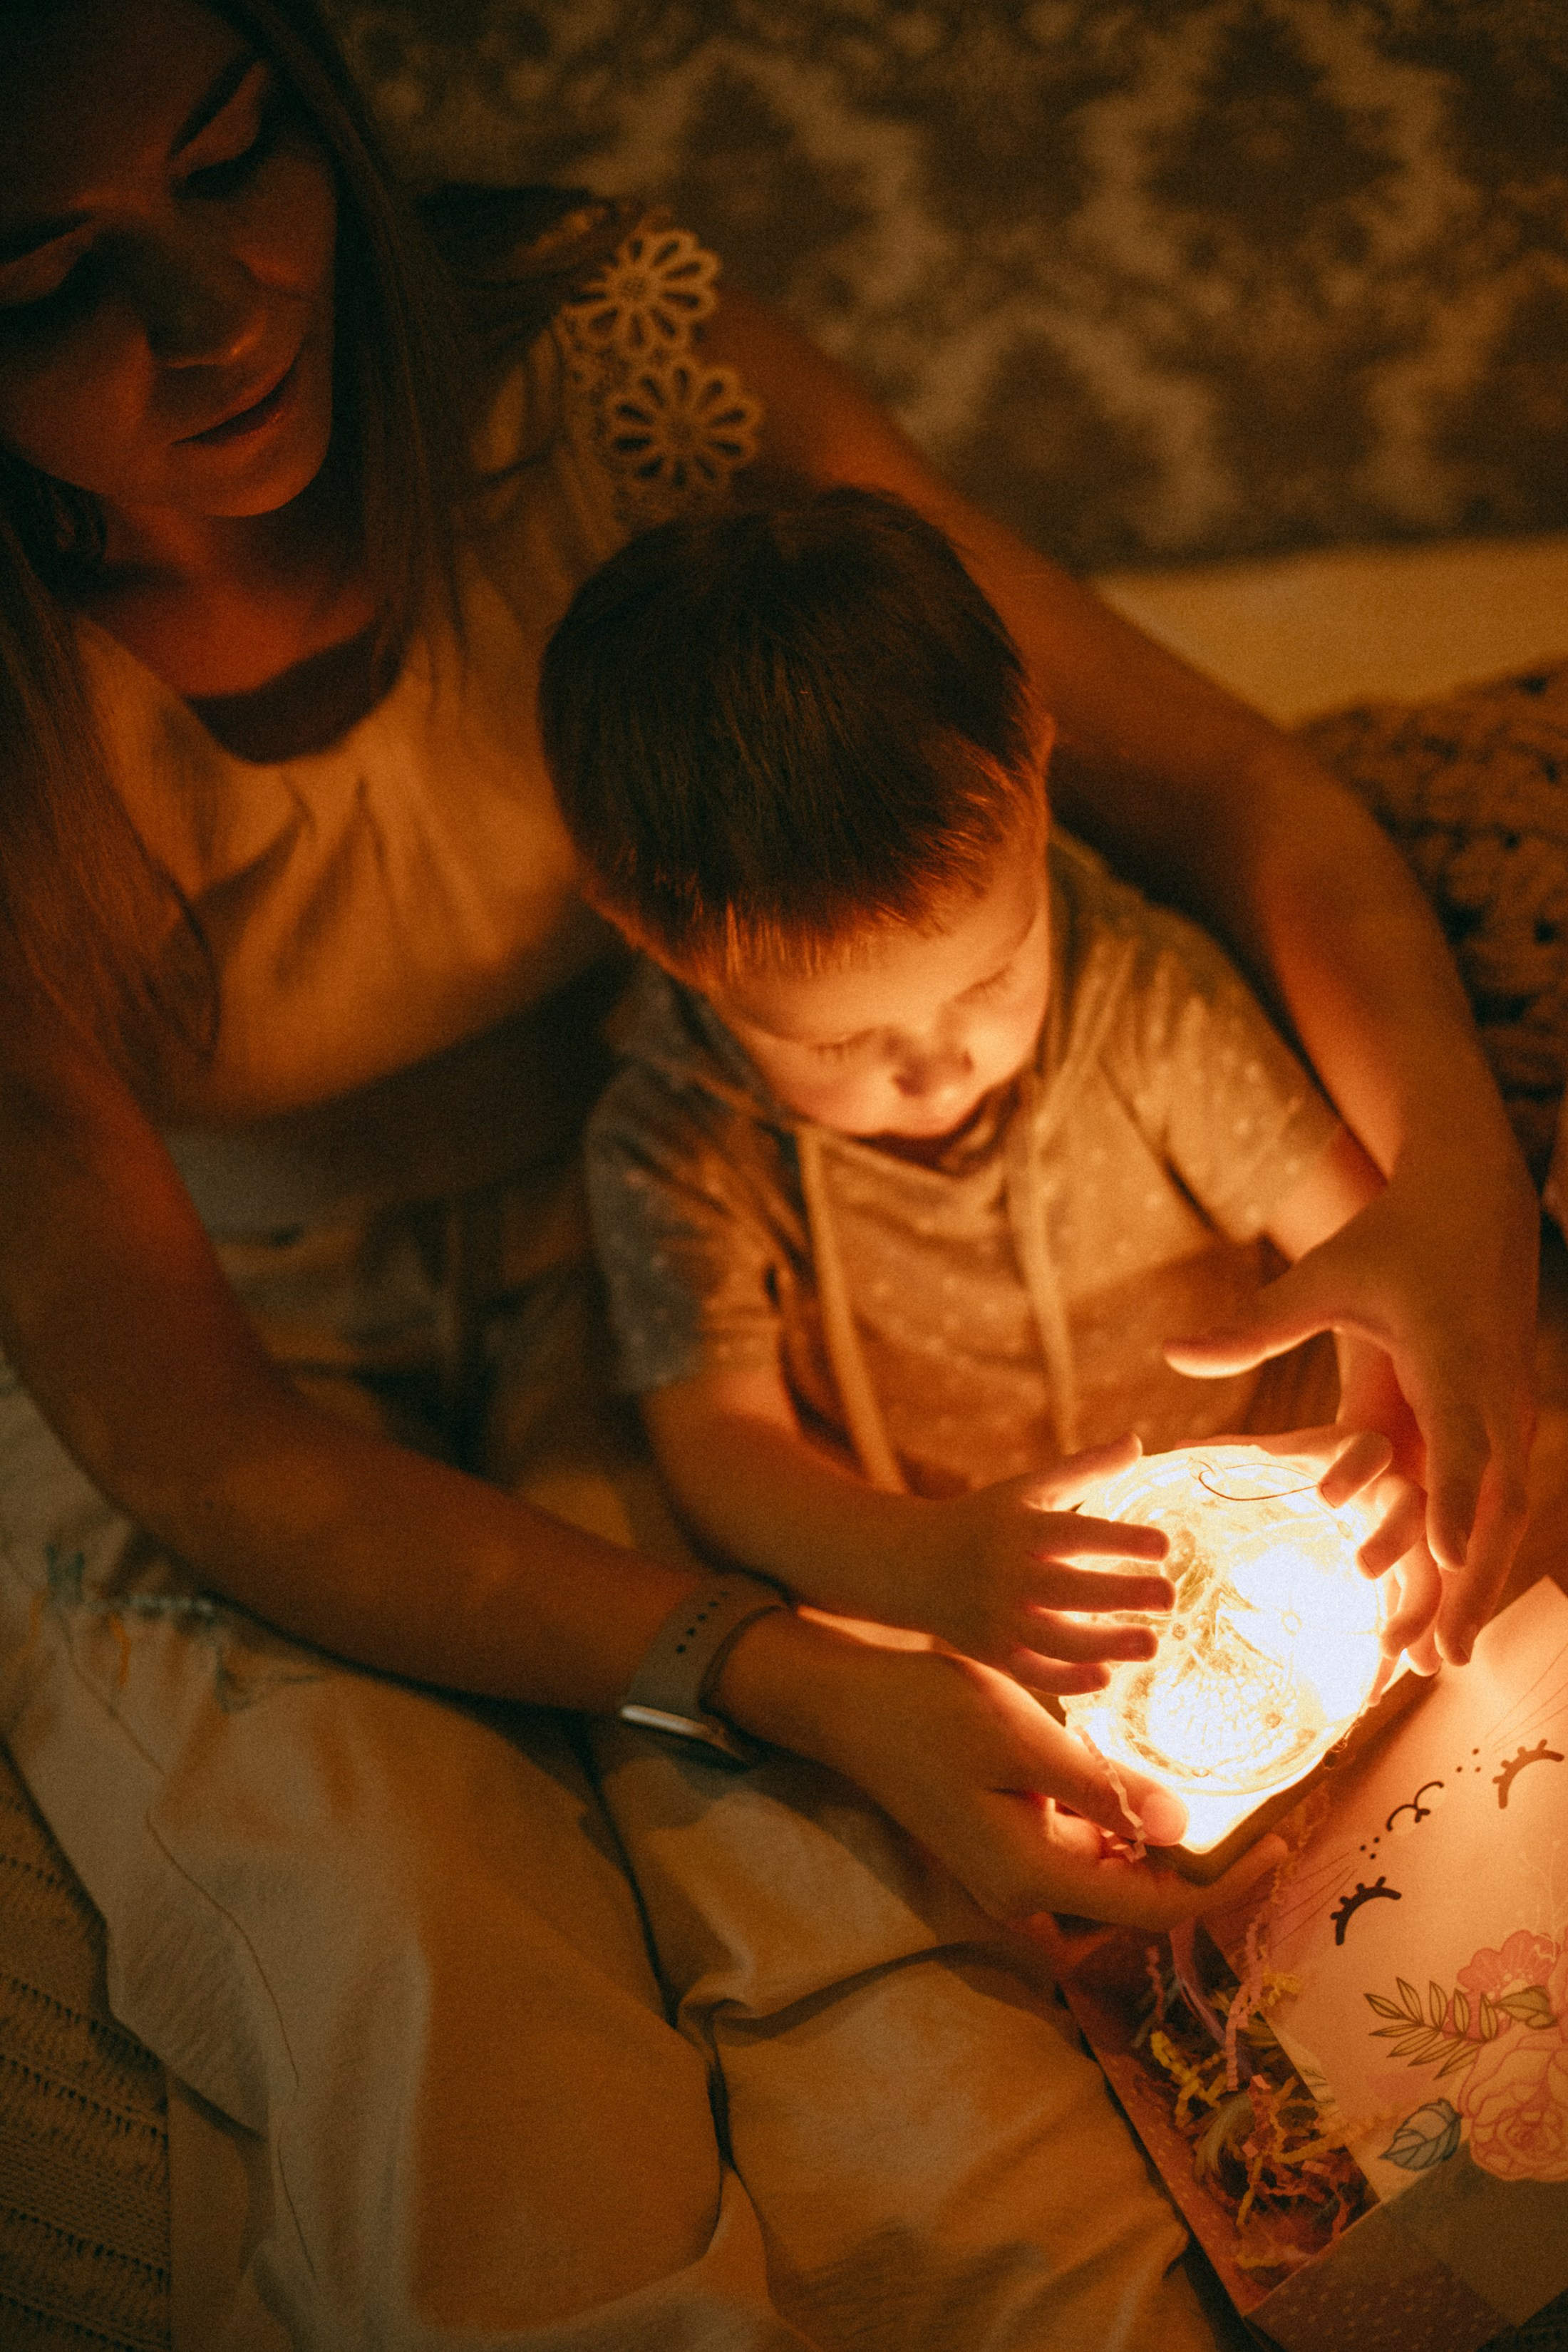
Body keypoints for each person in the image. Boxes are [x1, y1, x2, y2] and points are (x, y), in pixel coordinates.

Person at [0, 0, 1537, 2343]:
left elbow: (1233, 790)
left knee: (927, 2050)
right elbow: (201, 1439)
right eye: (52, 277)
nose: (219, 314)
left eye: (236, 163)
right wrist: (791, 1650)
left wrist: (1454, 1219)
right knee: (444, 2015)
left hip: (635, 1318)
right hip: (260, 1378)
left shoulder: (613, 380)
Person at [545, 485, 1438, 1693]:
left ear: (1037, 765)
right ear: (651, 938)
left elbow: (1360, 1252)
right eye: (839, 1046)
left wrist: (1376, 1435)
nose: (935, 1063)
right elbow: (720, 1446)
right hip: (963, 1600)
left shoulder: (1140, 1003)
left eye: (990, 979)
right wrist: (919, 1566)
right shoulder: (677, 1141)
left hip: (1275, 1554)